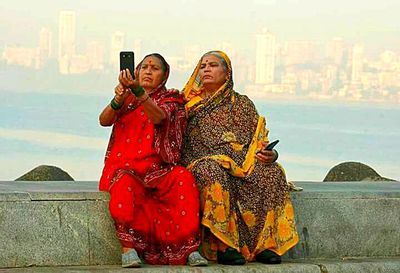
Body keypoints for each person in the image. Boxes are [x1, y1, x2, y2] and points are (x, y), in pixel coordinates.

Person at [180, 51, 299, 265]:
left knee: (272, 171)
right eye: (203, 65)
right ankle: (224, 245)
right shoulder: (188, 105)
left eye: (213, 65)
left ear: (227, 73)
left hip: (243, 163)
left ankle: (263, 246)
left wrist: (270, 155)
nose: (206, 69)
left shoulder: (243, 104)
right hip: (202, 163)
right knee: (212, 171)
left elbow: (259, 139)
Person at [99, 53, 207, 267]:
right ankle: (128, 249)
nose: (148, 71)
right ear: (136, 71)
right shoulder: (126, 98)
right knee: (123, 185)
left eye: (154, 68)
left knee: (182, 178)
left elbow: (158, 117)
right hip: (126, 168)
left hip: (158, 169)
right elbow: (104, 120)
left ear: (164, 75)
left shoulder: (171, 100)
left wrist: (138, 91)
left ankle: (189, 250)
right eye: (144, 67)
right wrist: (118, 98)